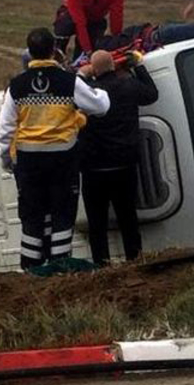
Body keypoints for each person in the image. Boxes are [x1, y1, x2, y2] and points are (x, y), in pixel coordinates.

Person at [0, 27, 110, 271]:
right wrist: (96, 87)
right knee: (62, 213)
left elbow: (5, 131)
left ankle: (31, 268)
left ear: (30, 52)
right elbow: (100, 106)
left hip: (28, 162)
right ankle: (60, 268)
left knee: (32, 216)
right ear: (54, 51)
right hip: (62, 160)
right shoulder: (68, 82)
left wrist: (7, 161)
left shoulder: (16, 86)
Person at [79, 51, 159, 265]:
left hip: (94, 169)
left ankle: (101, 266)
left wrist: (81, 74)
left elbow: (71, 96)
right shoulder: (129, 85)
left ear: (94, 69)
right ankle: (135, 260)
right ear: (114, 66)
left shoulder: (90, 92)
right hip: (124, 164)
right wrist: (139, 67)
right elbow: (152, 94)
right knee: (128, 218)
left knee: (97, 224)